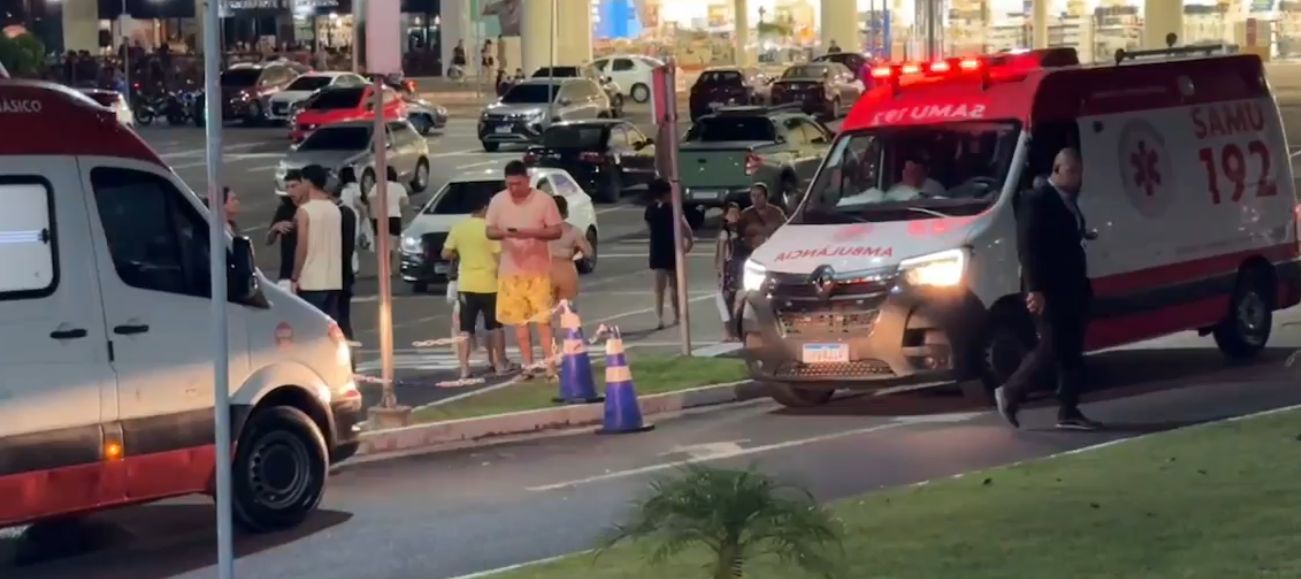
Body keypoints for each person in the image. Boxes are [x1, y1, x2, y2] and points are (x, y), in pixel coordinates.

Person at [995, 148, 1100, 431]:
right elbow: (1028, 247)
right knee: (1051, 345)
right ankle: (1011, 391)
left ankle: (1069, 409)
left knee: (1072, 349)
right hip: (1049, 288)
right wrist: (1036, 288)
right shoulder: (1037, 200)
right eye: (1072, 172)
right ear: (1057, 170)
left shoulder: (1070, 201)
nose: (1078, 178)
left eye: (1080, 172)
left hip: (1073, 285)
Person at [485, 160, 564, 379]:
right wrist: (505, 234)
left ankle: (550, 367)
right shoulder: (498, 201)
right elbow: (489, 230)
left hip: (538, 272)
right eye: (509, 184)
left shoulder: (543, 201)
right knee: (519, 325)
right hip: (511, 272)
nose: (513, 189)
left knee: (543, 323)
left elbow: (556, 231)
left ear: (527, 180)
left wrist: (529, 233)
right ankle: (528, 367)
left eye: (518, 184)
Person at [443, 193, 509, 379]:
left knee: (466, 328)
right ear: (484, 208)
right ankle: (499, 363)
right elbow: (498, 257)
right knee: (494, 327)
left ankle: (464, 368)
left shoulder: (459, 228)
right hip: (489, 284)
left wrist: (460, 254)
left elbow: (445, 253)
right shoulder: (490, 231)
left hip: (466, 284)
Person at [287, 165, 344, 319]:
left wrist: (294, 276)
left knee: (310, 329)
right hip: (333, 280)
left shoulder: (305, 210)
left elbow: (302, 246)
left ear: (308, 182)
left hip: (311, 281)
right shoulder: (334, 209)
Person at [644, 179, 694, 330]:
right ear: (665, 193)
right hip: (672, 248)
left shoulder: (650, 209)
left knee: (660, 286)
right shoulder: (674, 209)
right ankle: (677, 315)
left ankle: (659, 317)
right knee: (674, 285)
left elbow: (649, 228)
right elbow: (687, 230)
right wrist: (688, 245)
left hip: (657, 248)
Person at [548, 195, 594, 305]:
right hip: (566, 270)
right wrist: (575, 254)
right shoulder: (574, 231)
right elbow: (588, 252)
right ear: (566, 211)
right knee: (567, 310)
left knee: (545, 311)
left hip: (544, 271)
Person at [330, 177, 359, 342]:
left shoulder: (338, 213)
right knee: (343, 319)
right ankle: (350, 357)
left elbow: (342, 248)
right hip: (345, 273)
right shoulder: (347, 212)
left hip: (337, 275)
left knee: (337, 319)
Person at [367, 165, 410, 275]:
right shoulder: (398, 187)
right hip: (394, 217)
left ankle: (383, 268)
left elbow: (371, 200)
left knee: (381, 245)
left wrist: (373, 216)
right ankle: (389, 268)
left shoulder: (376, 186)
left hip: (379, 218)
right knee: (392, 245)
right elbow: (405, 203)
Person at [715, 202, 743, 341]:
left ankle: (736, 331)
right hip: (730, 271)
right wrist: (721, 274)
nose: (734, 216)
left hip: (741, 269)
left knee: (737, 302)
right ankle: (728, 332)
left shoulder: (741, 231)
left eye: (737, 213)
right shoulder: (725, 233)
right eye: (731, 213)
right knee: (724, 301)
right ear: (725, 215)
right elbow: (721, 255)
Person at [737, 183, 787, 252]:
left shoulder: (776, 212)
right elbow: (739, 236)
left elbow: (785, 231)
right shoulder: (745, 214)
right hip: (751, 251)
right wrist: (750, 241)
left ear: (766, 196)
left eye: (760, 195)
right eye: (753, 196)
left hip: (775, 249)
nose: (756, 198)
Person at [267, 190, 301, 285]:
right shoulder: (284, 208)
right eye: (288, 187)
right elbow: (268, 241)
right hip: (287, 272)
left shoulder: (312, 209)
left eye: (294, 187)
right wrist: (275, 228)